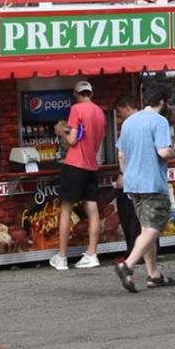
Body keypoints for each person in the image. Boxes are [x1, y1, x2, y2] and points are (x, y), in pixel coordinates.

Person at [114, 83, 175, 292]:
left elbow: (121, 154)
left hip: (132, 184)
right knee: (155, 227)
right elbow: (163, 152)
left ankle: (153, 274)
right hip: (152, 182)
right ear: (162, 101)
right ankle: (127, 266)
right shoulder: (159, 121)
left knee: (146, 229)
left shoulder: (129, 122)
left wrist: (125, 174)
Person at [50, 80, 106, 271]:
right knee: (92, 209)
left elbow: (73, 140)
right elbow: (92, 139)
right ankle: (92, 254)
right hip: (91, 165)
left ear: (76, 94)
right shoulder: (99, 112)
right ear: (91, 93)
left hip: (74, 165)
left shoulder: (76, 109)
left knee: (66, 208)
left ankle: (62, 257)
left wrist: (60, 132)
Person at [113, 94, 142, 262]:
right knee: (144, 219)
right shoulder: (150, 121)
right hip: (145, 178)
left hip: (131, 177)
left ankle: (132, 253)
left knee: (130, 216)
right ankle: (144, 253)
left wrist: (121, 174)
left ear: (126, 107)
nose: (120, 115)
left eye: (119, 111)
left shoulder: (128, 124)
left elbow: (121, 153)